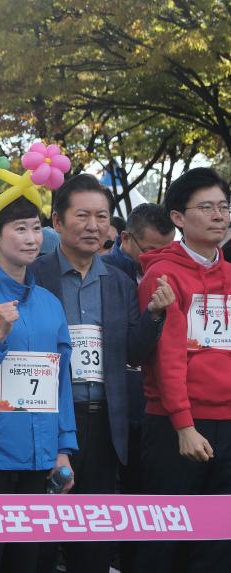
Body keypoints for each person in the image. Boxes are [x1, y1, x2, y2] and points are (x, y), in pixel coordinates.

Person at [31, 174, 173, 573]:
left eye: (102, 216)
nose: (94, 226)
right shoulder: (35, 274)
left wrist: (154, 316)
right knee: (41, 534)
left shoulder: (119, 281)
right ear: (57, 222)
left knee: (92, 538)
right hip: (47, 421)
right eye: (83, 215)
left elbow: (132, 351)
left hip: (103, 423)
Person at [0, 189, 77, 573]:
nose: (30, 238)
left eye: (36, 229)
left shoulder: (50, 304)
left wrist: (63, 447)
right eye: (19, 229)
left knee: (29, 561)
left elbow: (60, 382)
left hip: (39, 456)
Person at [136, 167, 231, 573]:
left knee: (215, 545)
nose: (219, 216)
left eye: (224, 207)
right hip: (177, 426)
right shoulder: (163, 273)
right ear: (178, 218)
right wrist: (183, 425)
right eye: (206, 207)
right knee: (167, 541)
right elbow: (166, 358)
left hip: (227, 423)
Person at [102, 203, 175, 573]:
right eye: (150, 252)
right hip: (110, 409)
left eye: (167, 250)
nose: (158, 260)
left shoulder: (171, 276)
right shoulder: (107, 276)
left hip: (150, 412)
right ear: (125, 239)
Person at [104, 203, 176, 283]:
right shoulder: (100, 273)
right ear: (125, 238)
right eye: (152, 252)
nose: (159, 260)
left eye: (167, 252)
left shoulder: (172, 274)